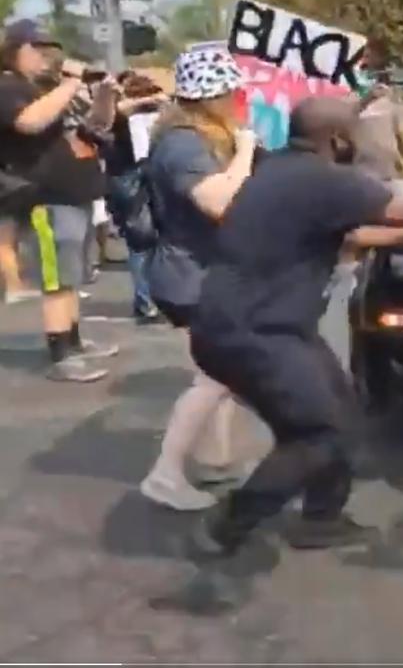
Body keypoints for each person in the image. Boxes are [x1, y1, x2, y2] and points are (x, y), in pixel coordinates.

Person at [186, 96, 403, 562]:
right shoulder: (324, 180)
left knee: (341, 410)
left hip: (249, 325)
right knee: (317, 432)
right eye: (355, 135)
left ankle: (322, 517)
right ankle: (228, 523)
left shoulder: (278, 172)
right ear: (337, 140)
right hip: (257, 332)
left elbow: (357, 235)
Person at [138, 48, 258, 511]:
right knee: (216, 378)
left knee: (218, 376)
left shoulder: (194, 137)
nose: (238, 97)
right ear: (212, 95)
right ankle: (165, 475)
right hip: (190, 278)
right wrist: (246, 151)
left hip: (199, 273)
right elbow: (218, 204)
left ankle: (218, 463)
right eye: (231, 90)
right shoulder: (184, 144)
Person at [0, 19, 118, 382]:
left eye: (49, 49)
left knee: (73, 275)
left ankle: (75, 340)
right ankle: (61, 353)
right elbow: (29, 123)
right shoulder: (9, 88)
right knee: (57, 278)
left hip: (75, 193)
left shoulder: (47, 88)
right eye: (37, 49)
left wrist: (105, 96)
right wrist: (71, 83)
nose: (45, 57)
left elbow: (98, 126)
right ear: (15, 50)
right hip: (44, 196)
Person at [104, 70, 168, 323]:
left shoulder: (151, 117)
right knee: (142, 241)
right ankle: (146, 301)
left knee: (142, 241)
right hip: (131, 178)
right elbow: (118, 109)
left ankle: (147, 300)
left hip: (129, 178)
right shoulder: (121, 117)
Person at [350, 38, 403, 183]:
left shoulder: (387, 95)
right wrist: (366, 100)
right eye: (364, 56)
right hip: (362, 169)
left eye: (370, 56)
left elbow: (398, 131)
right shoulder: (350, 94)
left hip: (387, 168)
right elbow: (346, 117)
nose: (367, 61)